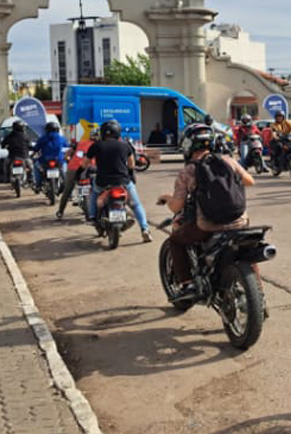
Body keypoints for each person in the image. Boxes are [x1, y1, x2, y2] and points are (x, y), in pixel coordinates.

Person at [157, 124, 257, 300]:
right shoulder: (229, 161)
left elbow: (176, 207)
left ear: (188, 145)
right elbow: (250, 181)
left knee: (175, 241)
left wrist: (167, 197)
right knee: (248, 252)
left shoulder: (188, 171)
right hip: (240, 221)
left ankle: (188, 284)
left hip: (207, 226)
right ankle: (260, 296)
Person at [86, 120, 152, 242]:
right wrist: (131, 175)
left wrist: (80, 172)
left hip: (102, 182)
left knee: (93, 194)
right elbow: (131, 164)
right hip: (123, 182)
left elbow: (84, 163)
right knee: (136, 204)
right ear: (118, 133)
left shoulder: (97, 145)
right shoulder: (125, 146)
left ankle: (92, 217)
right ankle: (144, 229)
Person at [56, 127, 99, 219]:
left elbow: (68, 153)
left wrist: (67, 160)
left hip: (74, 168)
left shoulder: (80, 143)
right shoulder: (99, 145)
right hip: (89, 169)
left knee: (67, 190)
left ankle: (60, 212)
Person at [32, 121, 69, 190]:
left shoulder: (43, 138)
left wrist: (33, 152)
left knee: (36, 167)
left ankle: (38, 184)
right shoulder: (62, 138)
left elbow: (36, 148)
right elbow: (67, 147)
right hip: (59, 160)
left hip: (44, 160)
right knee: (64, 171)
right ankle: (68, 189)